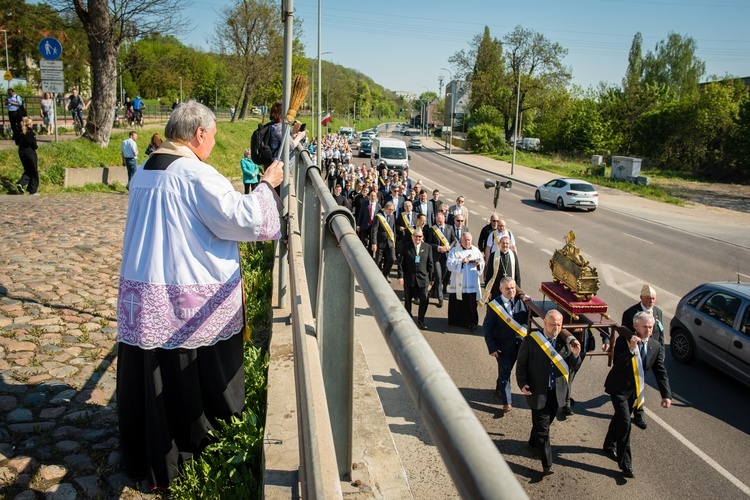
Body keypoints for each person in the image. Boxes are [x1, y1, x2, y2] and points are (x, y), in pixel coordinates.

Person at [115, 100, 285, 489]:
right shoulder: (195, 173)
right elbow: (243, 219)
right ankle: (190, 450)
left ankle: (146, 454)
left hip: (144, 288)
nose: (213, 142)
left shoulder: (144, 170)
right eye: (213, 136)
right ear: (200, 134)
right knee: (183, 376)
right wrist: (267, 185)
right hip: (182, 295)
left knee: (152, 374)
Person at [602, 312, 671, 479]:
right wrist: (631, 350)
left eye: (651, 326)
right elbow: (617, 365)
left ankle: (608, 445)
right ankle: (625, 464)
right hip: (618, 389)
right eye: (645, 327)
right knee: (625, 424)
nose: (648, 330)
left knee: (619, 418)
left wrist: (666, 395)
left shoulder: (655, 346)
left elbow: (660, 372)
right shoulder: (623, 341)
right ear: (636, 327)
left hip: (635, 392)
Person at [516, 310, 582, 475]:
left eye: (559, 325)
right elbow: (521, 365)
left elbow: (574, 366)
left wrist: (575, 354)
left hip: (556, 394)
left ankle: (532, 443)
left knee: (543, 425)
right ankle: (547, 465)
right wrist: (522, 383)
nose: (556, 328)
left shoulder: (564, 343)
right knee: (544, 431)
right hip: (538, 393)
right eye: (553, 324)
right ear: (545, 323)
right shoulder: (531, 341)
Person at [617, 284, 665, 429]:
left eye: (654, 298)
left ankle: (638, 412)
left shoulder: (657, 312)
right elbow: (624, 333)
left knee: (641, 385)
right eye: (649, 298)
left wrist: (660, 353)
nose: (652, 301)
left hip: (648, 354)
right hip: (633, 356)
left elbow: (660, 334)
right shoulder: (631, 312)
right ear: (641, 298)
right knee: (633, 385)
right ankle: (634, 411)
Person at [484, 277, 528, 410]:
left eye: (513, 288)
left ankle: (499, 387)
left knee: (506, 371)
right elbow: (487, 328)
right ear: (501, 289)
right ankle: (507, 402)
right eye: (508, 289)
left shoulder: (522, 302)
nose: (511, 291)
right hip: (501, 346)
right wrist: (492, 347)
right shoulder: (494, 306)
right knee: (505, 371)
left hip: (518, 345)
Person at [397, 228, 434, 330]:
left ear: (422, 237)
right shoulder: (406, 247)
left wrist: (431, 278)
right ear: (412, 236)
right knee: (408, 300)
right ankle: (408, 318)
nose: (418, 238)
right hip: (410, 278)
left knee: (424, 299)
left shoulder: (427, 247)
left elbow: (430, 264)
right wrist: (400, 276)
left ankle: (421, 320)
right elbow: (401, 263)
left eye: (420, 236)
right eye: (416, 236)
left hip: (423, 278)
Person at [446, 232, 484, 330]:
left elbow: (482, 263)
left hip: (471, 284)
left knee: (470, 305)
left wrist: (478, 264)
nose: (467, 242)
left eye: (469, 240)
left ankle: (472, 322)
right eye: (465, 240)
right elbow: (449, 264)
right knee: (457, 303)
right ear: (461, 240)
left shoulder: (476, 250)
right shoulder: (455, 250)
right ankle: (456, 321)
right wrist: (461, 262)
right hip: (458, 284)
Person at [426, 212, 456, 307]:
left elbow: (454, 240)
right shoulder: (432, 229)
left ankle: (434, 289)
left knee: (444, 276)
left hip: (447, 256)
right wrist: (438, 247)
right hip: (436, 257)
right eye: (437, 221)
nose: (439, 222)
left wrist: (449, 247)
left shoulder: (450, 228)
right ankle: (440, 299)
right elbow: (429, 243)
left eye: (440, 220)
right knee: (438, 277)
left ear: (444, 219)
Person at [482, 235, 521, 301]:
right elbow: (489, 274)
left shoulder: (513, 255)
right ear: (499, 244)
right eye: (503, 243)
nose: (505, 245)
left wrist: (518, 291)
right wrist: (488, 291)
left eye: (507, 243)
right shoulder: (494, 255)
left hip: (510, 290)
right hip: (496, 290)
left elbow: (517, 274)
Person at [371, 202, 397, 281]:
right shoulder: (378, 216)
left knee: (392, 259)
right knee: (378, 261)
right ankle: (378, 279)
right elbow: (374, 230)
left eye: (393, 210)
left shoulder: (392, 216)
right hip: (380, 243)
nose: (392, 212)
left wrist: (394, 241)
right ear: (385, 209)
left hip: (390, 243)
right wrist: (374, 243)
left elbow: (393, 229)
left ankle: (385, 274)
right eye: (390, 210)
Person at [14, 117, 39, 195]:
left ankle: (21, 183)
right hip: (30, 153)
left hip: (21, 152)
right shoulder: (31, 133)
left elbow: (16, 142)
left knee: (28, 170)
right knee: (34, 172)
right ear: (30, 124)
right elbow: (34, 146)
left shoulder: (19, 132)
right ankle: (33, 190)